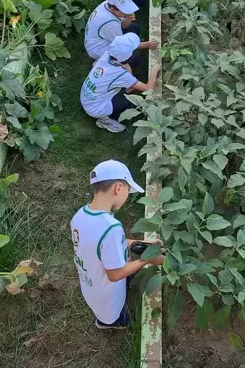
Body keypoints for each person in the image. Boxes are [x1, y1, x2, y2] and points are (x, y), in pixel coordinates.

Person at [71, 159, 164, 329]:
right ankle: (110, 323)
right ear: (118, 188)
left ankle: (125, 285)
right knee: (109, 315)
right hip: (107, 293)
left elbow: (105, 244)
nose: (128, 196)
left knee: (107, 298)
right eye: (129, 191)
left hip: (91, 282)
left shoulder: (82, 215)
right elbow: (114, 275)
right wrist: (148, 259)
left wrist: (141, 242)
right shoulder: (110, 227)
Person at [80, 34, 160, 134]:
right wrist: (154, 70)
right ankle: (104, 119)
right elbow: (148, 88)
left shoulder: (108, 54)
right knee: (131, 99)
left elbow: (125, 64)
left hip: (87, 96)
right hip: (96, 108)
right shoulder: (119, 74)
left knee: (131, 74)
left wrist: (147, 44)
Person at [84, 0, 157, 62]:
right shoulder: (110, 24)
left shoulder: (108, 4)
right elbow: (121, 45)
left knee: (134, 28)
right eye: (124, 10)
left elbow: (122, 25)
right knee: (135, 59)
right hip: (98, 49)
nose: (126, 12)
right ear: (113, 9)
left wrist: (128, 19)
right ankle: (102, 62)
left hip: (103, 36)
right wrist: (147, 44)